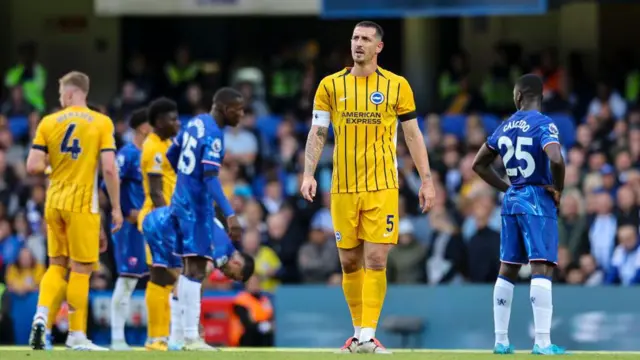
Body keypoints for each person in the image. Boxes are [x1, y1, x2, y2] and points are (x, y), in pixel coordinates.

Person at [300, 21, 436, 354]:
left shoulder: (397, 85)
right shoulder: (330, 86)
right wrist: (308, 173)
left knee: (375, 260)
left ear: (379, 47)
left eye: (365, 39)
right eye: (355, 38)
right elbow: (318, 132)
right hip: (342, 187)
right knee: (348, 263)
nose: (358, 43)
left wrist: (426, 180)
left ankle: (367, 336)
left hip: (382, 186)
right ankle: (358, 332)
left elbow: (413, 135)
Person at [26, 71, 122, 351]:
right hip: (83, 204)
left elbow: (33, 166)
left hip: (54, 201)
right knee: (81, 270)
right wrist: (115, 208)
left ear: (69, 94)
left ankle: (41, 317)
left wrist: (52, 170)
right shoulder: (102, 122)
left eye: (60, 95)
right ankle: (77, 335)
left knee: (56, 266)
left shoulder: (49, 121)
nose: (60, 99)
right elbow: (108, 169)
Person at [472, 74, 566, 355]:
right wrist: (558, 189)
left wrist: (507, 188)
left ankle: (501, 341)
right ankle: (543, 342)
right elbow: (556, 158)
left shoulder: (505, 126)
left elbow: (479, 165)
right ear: (540, 96)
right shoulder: (544, 124)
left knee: (508, 267)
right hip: (538, 198)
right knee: (541, 265)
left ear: (518, 96)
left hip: (512, 200)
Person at [167, 87, 245, 350]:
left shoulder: (195, 122)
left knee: (188, 268)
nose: (241, 115)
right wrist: (230, 214)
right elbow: (210, 179)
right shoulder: (213, 134)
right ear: (225, 108)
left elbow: (171, 154)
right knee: (197, 270)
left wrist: (183, 180)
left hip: (180, 201)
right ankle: (191, 337)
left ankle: (178, 336)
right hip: (197, 208)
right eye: (238, 109)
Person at [137, 97, 180, 351]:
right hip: (157, 217)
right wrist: (167, 221)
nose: (177, 122)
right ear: (159, 122)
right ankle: (157, 338)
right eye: (172, 118)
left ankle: (161, 337)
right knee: (160, 275)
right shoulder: (152, 147)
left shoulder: (167, 143)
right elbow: (155, 190)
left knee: (164, 278)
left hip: (165, 217)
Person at [109, 108, 152, 350]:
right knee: (127, 278)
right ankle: (117, 338)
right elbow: (110, 181)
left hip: (150, 225)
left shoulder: (153, 154)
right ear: (142, 127)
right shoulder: (127, 154)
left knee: (160, 279)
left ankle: (161, 335)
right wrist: (125, 210)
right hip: (129, 226)